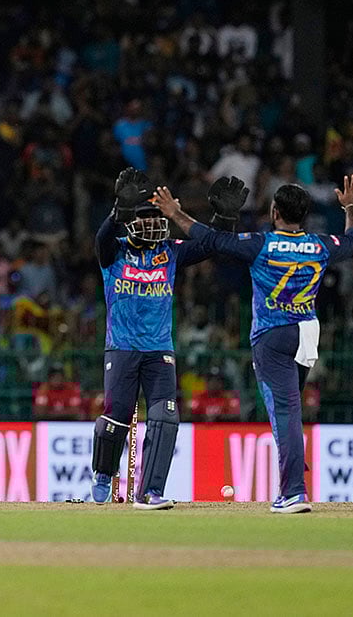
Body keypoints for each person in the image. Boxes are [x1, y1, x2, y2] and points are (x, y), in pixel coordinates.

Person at [153, 175, 353, 514]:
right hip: (307, 332)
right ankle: (293, 470)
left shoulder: (260, 244)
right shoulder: (321, 244)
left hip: (272, 336)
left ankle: (293, 491)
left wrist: (176, 213)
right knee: (290, 411)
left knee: (286, 413)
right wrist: (351, 206)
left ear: (275, 212)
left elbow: (213, 239)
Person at [91, 168, 248, 510]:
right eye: (143, 217)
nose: (150, 224)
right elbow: (100, 239)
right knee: (116, 418)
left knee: (166, 418)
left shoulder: (171, 251)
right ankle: (103, 471)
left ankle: (149, 492)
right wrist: (118, 209)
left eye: (154, 217)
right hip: (122, 347)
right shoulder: (114, 251)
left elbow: (209, 245)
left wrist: (223, 219)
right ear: (130, 221)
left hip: (159, 350)